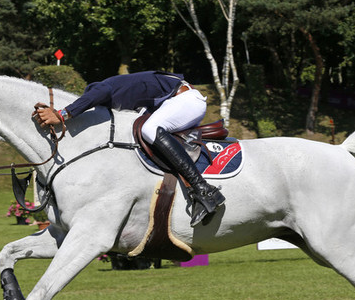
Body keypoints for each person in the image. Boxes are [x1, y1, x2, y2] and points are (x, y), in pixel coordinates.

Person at [34, 71, 225, 226]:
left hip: (186, 100)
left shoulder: (104, 87)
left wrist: (63, 114)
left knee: (150, 129)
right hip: (179, 100)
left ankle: (204, 190)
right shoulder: (129, 91)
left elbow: (97, 94)